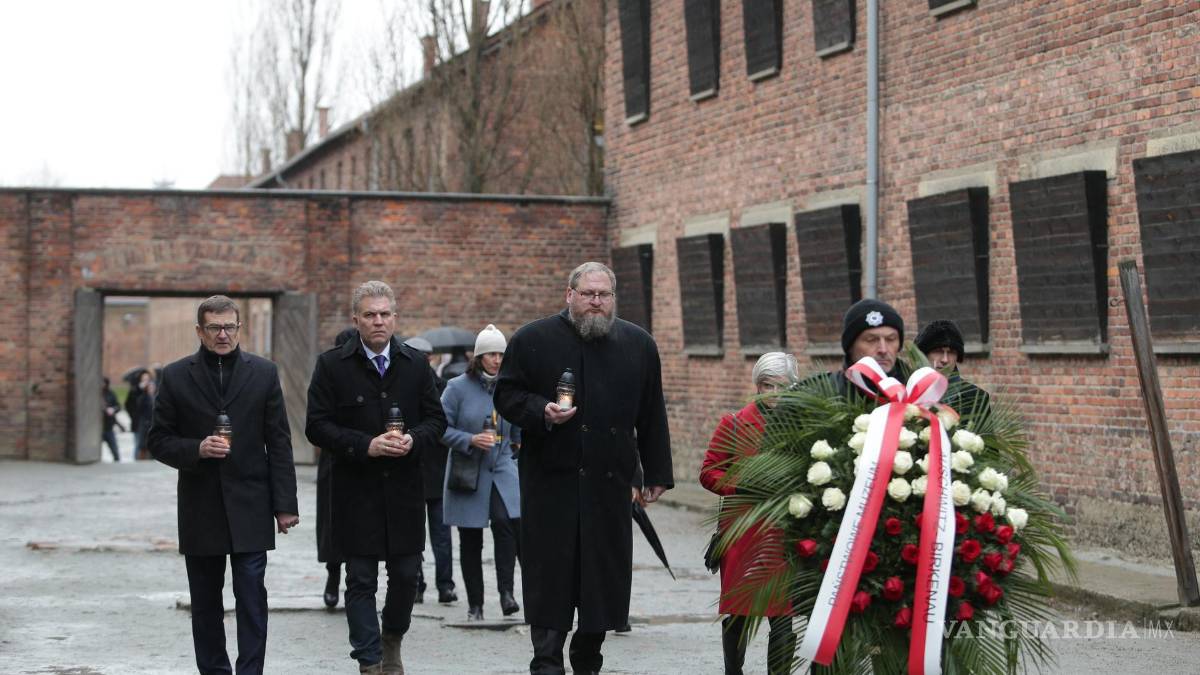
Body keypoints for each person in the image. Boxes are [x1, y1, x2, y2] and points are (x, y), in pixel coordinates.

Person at [494, 261, 673, 675]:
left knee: (601, 588)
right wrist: (541, 411)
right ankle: (547, 661)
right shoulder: (532, 339)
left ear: (612, 298)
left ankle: (588, 657)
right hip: (550, 486)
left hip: (608, 489)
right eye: (588, 293)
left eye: (603, 295)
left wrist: (658, 472)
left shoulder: (638, 344)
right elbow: (506, 396)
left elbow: (651, 413)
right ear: (569, 294)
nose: (596, 302)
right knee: (550, 585)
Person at [147, 295, 299, 675]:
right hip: (201, 506)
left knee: (251, 598)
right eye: (214, 327)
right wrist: (196, 448)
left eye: (230, 326)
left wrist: (285, 504)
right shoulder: (177, 375)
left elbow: (278, 440)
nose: (223, 334)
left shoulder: (263, 373)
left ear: (239, 328)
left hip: (251, 503)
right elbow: (158, 440)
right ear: (200, 330)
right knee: (205, 603)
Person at [305, 281, 447, 675]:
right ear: (356, 320)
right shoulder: (332, 365)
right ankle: (369, 660)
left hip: (403, 489)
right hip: (356, 490)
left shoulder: (415, 364)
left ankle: (392, 638)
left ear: (395, 318)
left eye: (385, 314)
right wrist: (364, 445)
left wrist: (414, 441)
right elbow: (316, 426)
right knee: (361, 578)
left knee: (405, 575)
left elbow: (437, 420)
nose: (378, 321)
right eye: (370, 315)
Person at [700, 352, 799, 675]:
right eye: (765, 386)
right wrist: (743, 484)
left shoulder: (801, 425)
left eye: (779, 386)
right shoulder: (736, 422)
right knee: (740, 612)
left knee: (783, 613)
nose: (772, 393)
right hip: (742, 531)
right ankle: (734, 671)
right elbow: (709, 472)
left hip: (783, 531)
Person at [441, 324, 522, 621]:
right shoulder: (456, 388)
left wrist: (516, 444)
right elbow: (440, 428)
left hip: (501, 466)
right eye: (490, 354)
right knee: (470, 536)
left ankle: (507, 594)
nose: (497, 360)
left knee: (506, 525)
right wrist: (469, 440)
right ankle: (476, 604)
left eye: (501, 354)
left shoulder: (508, 386)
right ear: (478, 357)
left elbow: (516, 425)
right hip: (469, 468)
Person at [914, 319, 990, 415]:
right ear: (923, 355)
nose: (945, 359)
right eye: (938, 351)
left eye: (951, 352)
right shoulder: (904, 395)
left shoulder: (978, 399)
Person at [101, 377, 124, 463]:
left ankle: (117, 461)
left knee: (115, 450)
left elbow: (118, 406)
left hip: (108, 426)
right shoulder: (94, 394)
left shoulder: (110, 394)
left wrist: (113, 409)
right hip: (97, 427)